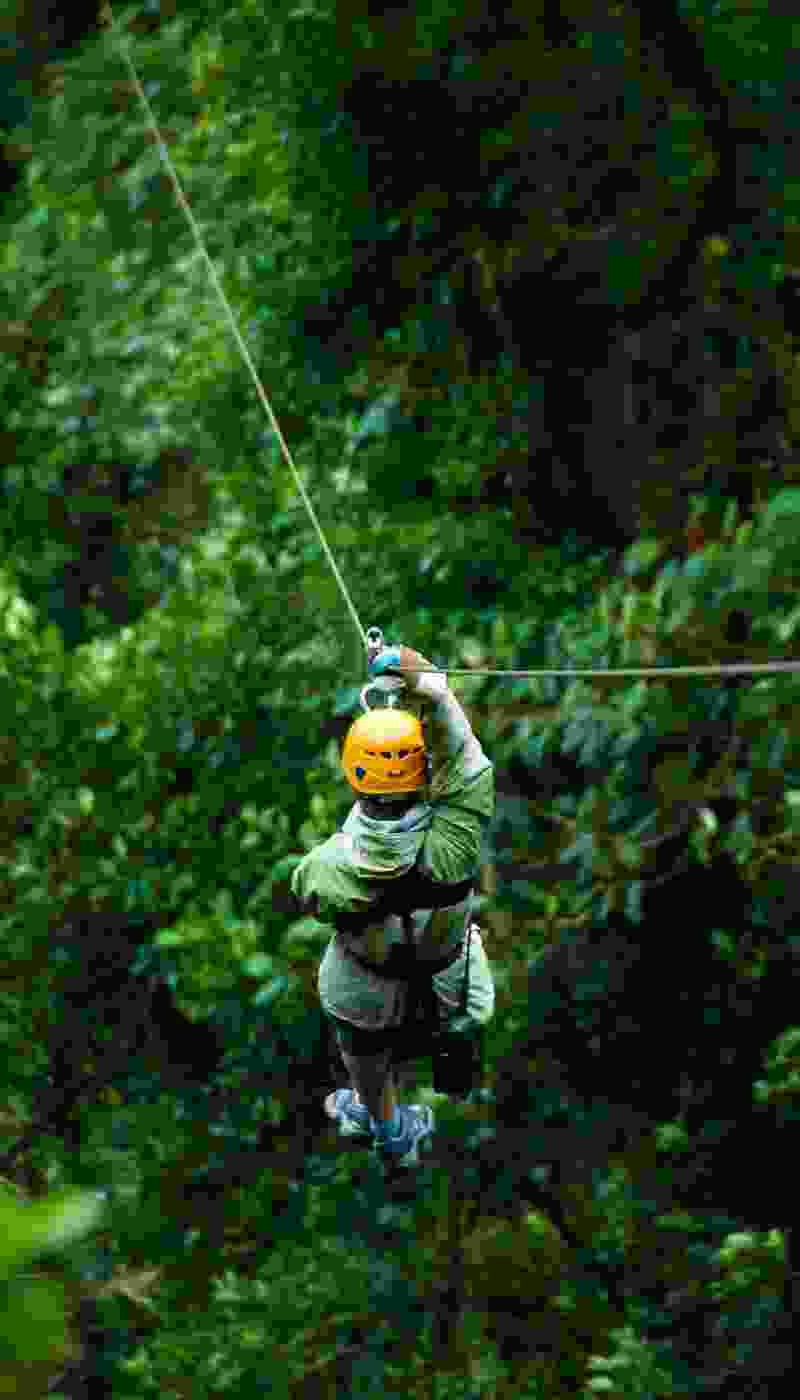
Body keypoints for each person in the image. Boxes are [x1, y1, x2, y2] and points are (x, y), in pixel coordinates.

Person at [291, 642, 495, 1168]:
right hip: (451, 984)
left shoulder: (328, 867)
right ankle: (437, 1085)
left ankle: (387, 1125)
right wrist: (409, 667)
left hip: (370, 992)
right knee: (460, 966)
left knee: (354, 1023)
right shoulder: (458, 833)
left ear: (354, 771)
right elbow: (458, 741)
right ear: (422, 767)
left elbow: (308, 896)